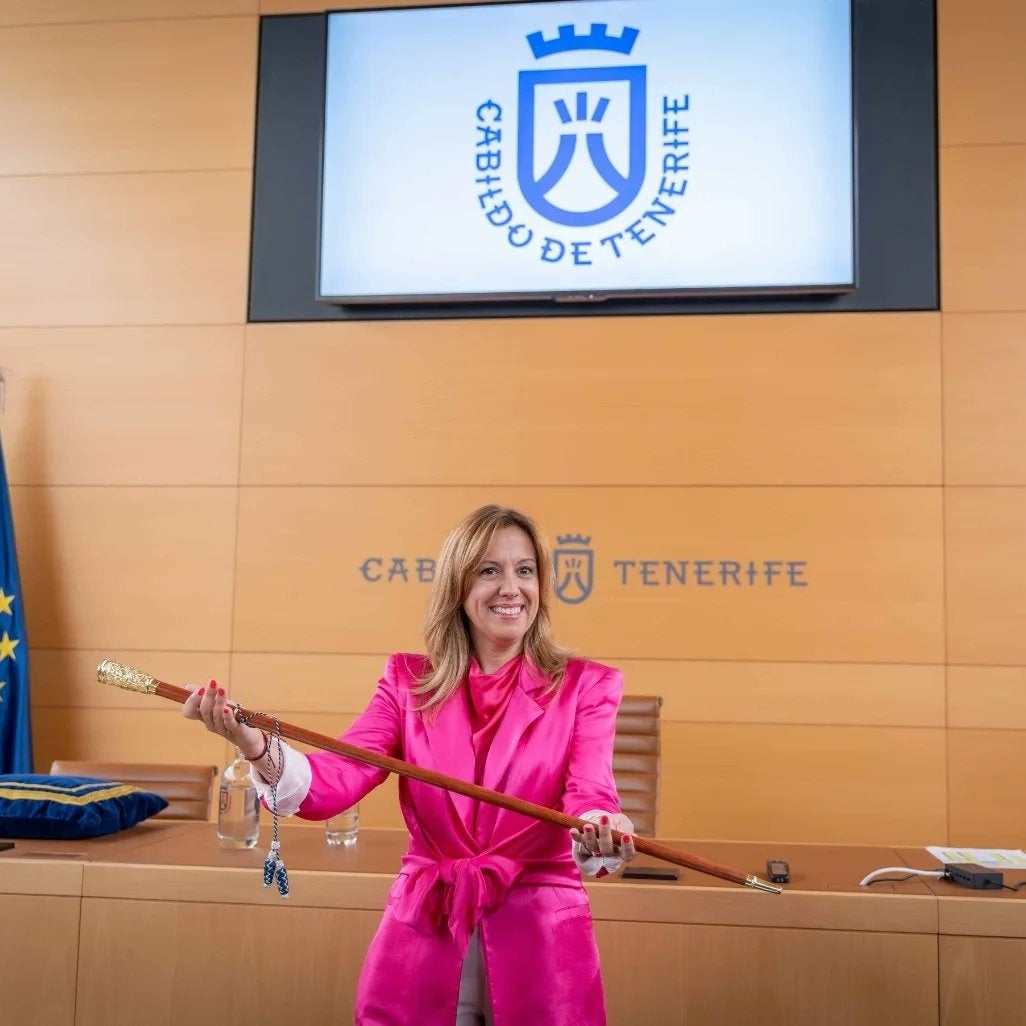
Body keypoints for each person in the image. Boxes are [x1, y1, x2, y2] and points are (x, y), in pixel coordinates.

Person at [184, 504, 636, 1026]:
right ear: (458, 587)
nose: (511, 588)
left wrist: (600, 828)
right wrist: (252, 743)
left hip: (541, 939)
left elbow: (591, 794)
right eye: (489, 570)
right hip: (426, 926)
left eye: (525, 570)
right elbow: (336, 778)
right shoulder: (407, 682)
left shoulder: (588, 685)